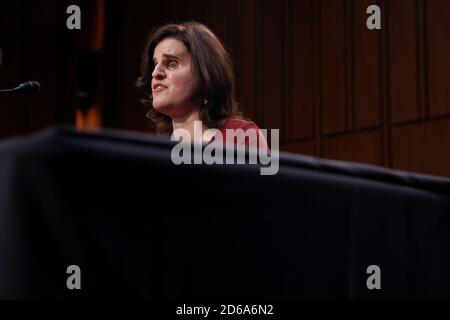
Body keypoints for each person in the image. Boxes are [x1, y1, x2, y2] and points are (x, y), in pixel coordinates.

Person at [136, 21, 268, 151]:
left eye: (172, 64)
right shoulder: (154, 152)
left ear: (204, 76)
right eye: (155, 65)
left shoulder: (241, 136)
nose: (155, 73)